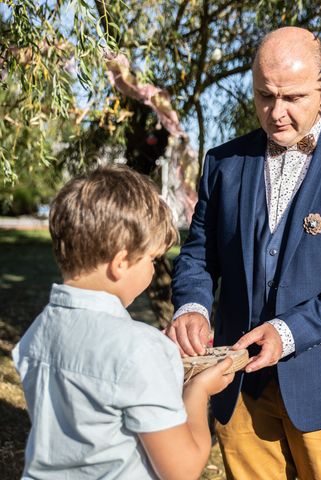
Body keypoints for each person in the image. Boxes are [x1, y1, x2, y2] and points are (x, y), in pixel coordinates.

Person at [167, 26, 321, 479]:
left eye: (292, 97)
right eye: (264, 96)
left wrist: (289, 331)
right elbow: (198, 253)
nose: (276, 112)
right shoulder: (223, 162)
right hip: (237, 382)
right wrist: (192, 306)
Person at [12, 166, 235, 479]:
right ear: (120, 263)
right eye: (151, 260)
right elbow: (182, 469)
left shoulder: (38, 330)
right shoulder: (141, 350)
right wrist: (197, 391)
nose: (151, 270)